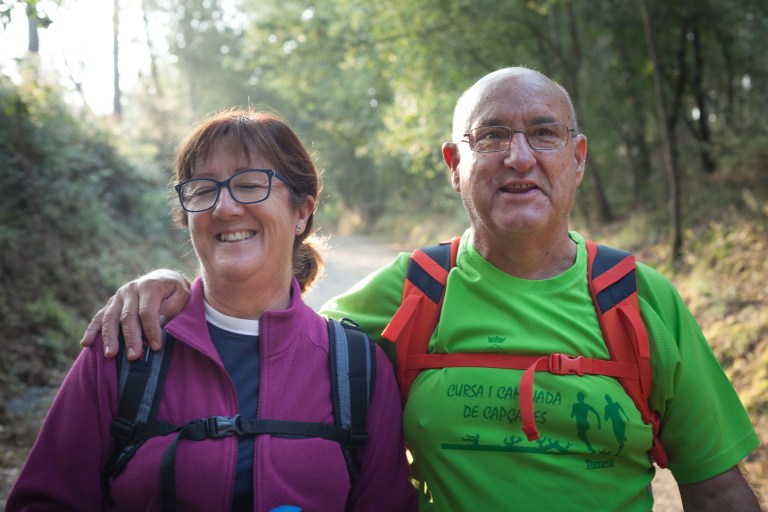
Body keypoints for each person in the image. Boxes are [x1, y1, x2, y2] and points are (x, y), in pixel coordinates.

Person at [77, 68, 762, 511]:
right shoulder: (414, 290)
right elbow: (274, 333)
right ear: (453, 165)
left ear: (577, 160)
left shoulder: (638, 300)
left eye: (544, 135)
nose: (518, 157)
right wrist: (170, 288)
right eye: (491, 136)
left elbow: (717, 489)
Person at [7, 108, 417, 511]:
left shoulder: (359, 371)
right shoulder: (125, 346)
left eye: (251, 184)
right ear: (186, 215)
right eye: (203, 190)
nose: (224, 208)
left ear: (302, 212)